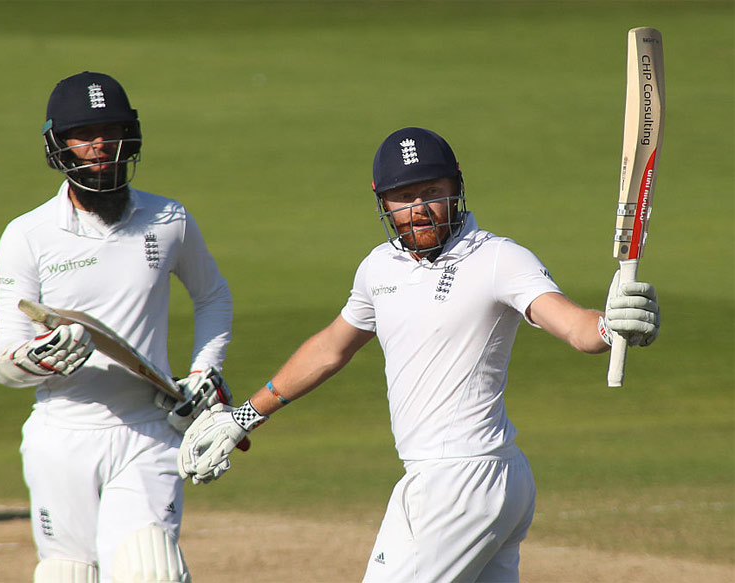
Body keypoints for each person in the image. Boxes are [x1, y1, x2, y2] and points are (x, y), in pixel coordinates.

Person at [177, 127, 660, 582]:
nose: (420, 208)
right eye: (404, 198)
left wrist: (609, 325)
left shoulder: (497, 258)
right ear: (383, 203)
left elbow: (573, 326)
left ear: (456, 189)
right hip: (487, 482)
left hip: (457, 481)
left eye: (432, 191)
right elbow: (330, 348)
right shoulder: (378, 268)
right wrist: (242, 417)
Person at [0, 71, 233, 583]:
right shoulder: (28, 235)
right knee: (68, 573)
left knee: (151, 571)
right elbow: (6, 351)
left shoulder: (169, 219)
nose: (100, 147)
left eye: (111, 132)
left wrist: (205, 370)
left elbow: (213, 296)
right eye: (84, 135)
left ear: (130, 137)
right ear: (59, 145)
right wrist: (42, 356)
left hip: (147, 430)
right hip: (62, 435)